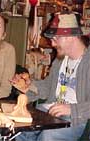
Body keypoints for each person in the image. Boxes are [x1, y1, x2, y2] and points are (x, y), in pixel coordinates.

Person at [11, 12, 90, 141]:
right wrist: (28, 85)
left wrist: (71, 109)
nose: (52, 44)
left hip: (76, 118)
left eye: (55, 39)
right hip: (50, 111)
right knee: (19, 128)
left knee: (48, 136)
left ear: (70, 37)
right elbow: (49, 86)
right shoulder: (60, 60)